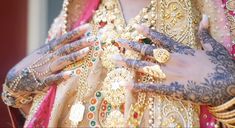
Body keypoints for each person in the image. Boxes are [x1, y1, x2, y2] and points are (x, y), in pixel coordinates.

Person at [2, 0, 235, 127]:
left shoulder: (222, 19)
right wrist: (20, 99)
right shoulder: (72, 24)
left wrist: (229, 94)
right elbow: (51, 114)